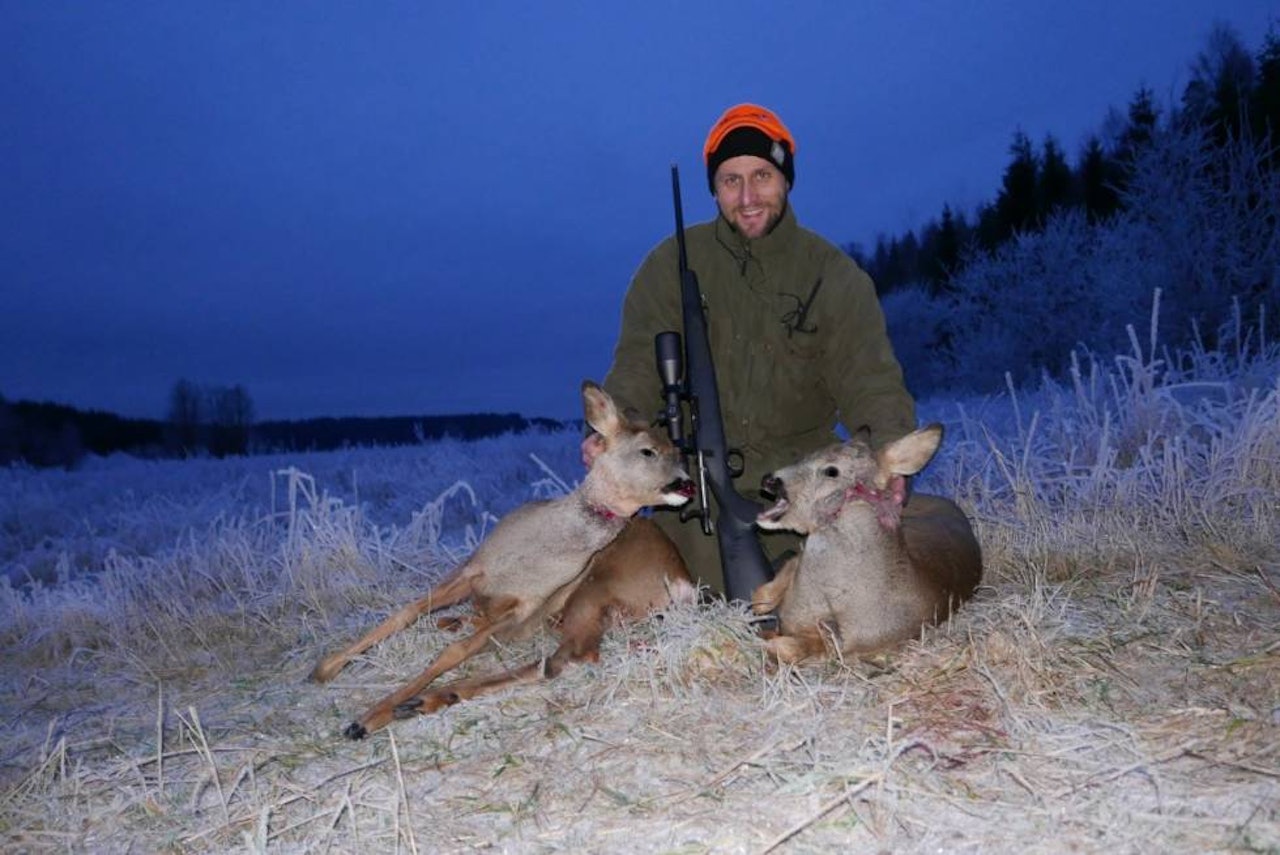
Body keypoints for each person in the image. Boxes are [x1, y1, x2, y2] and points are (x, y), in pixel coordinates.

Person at [589, 103, 917, 596]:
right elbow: (636, 366)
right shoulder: (668, 266)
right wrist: (612, 436)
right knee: (630, 589)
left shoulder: (834, 276)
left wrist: (888, 459)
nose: (747, 197)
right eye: (730, 180)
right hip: (696, 492)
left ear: (785, 179)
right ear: (714, 188)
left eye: (762, 175)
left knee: (849, 597)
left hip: (800, 488)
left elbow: (871, 381)